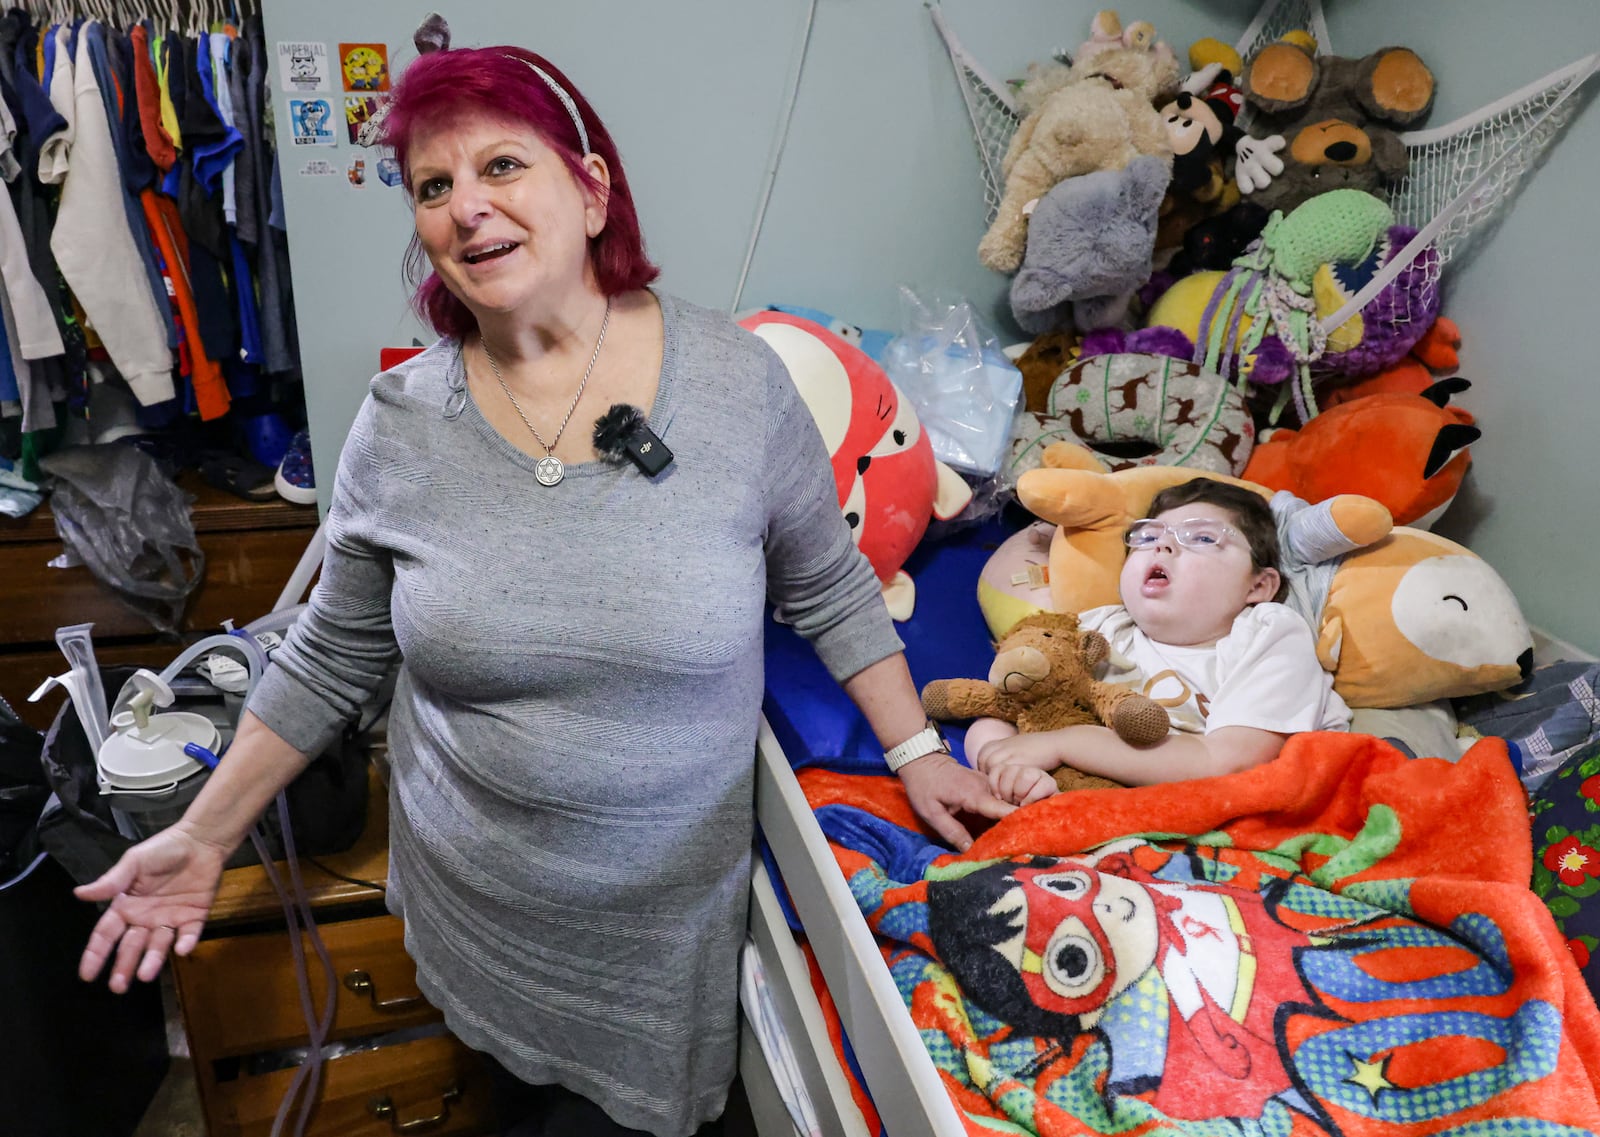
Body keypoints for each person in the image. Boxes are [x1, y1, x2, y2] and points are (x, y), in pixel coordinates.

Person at [70, 43, 1011, 1137]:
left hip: (658, 933)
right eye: (433, 187)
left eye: (502, 167)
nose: (467, 208)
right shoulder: (401, 421)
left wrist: (917, 754)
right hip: (479, 904)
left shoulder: (736, 383)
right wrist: (205, 833)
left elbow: (831, 585)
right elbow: (332, 654)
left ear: (592, 188)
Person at [974, 477, 1350, 805]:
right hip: (1088, 801)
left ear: (1259, 585)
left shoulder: (1269, 632)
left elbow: (1227, 763)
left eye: (1202, 537)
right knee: (986, 727)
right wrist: (1003, 764)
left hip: (1214, 810)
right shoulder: (1100, 626)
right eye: (1148, 536)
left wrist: (1063, 744)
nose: (1162, 546)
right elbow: (1010, 703)